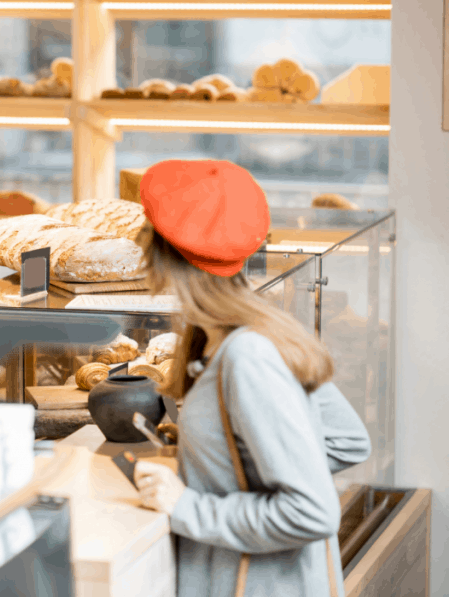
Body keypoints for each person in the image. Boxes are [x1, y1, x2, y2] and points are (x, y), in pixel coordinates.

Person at [130, 160, 371, 597]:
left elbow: (312, 512)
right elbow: (347, 439)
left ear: (163, 251)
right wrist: (225, 463)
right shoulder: (253, 331)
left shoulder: (247, 357)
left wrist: (188, 505)